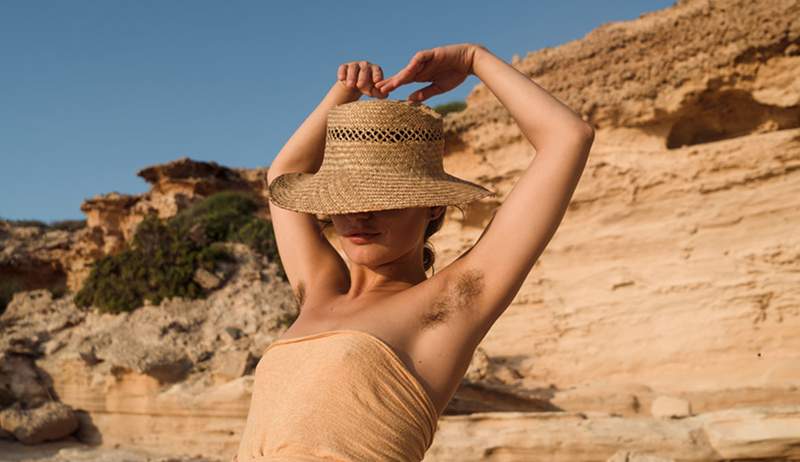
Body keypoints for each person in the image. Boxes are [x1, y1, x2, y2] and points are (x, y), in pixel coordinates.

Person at [233, 43, 594, 462]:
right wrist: (345, 93)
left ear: (432, 205)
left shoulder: (449, 303)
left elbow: (568, 138)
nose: (360, 215)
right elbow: (283, 176)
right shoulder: (319, 289)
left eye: (386, 199)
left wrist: (474, 61)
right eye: (345, 199)